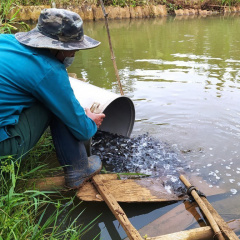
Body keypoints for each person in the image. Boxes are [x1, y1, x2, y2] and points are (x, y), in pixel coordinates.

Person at [0, 8, 105, 188]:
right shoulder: (48, 70)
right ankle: (78, 169)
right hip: (3, 151)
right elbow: (83, 131)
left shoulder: (6, 41)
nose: (73, 55)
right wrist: (90, 122)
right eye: (73, 50)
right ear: (58, 47)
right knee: (55, 104)